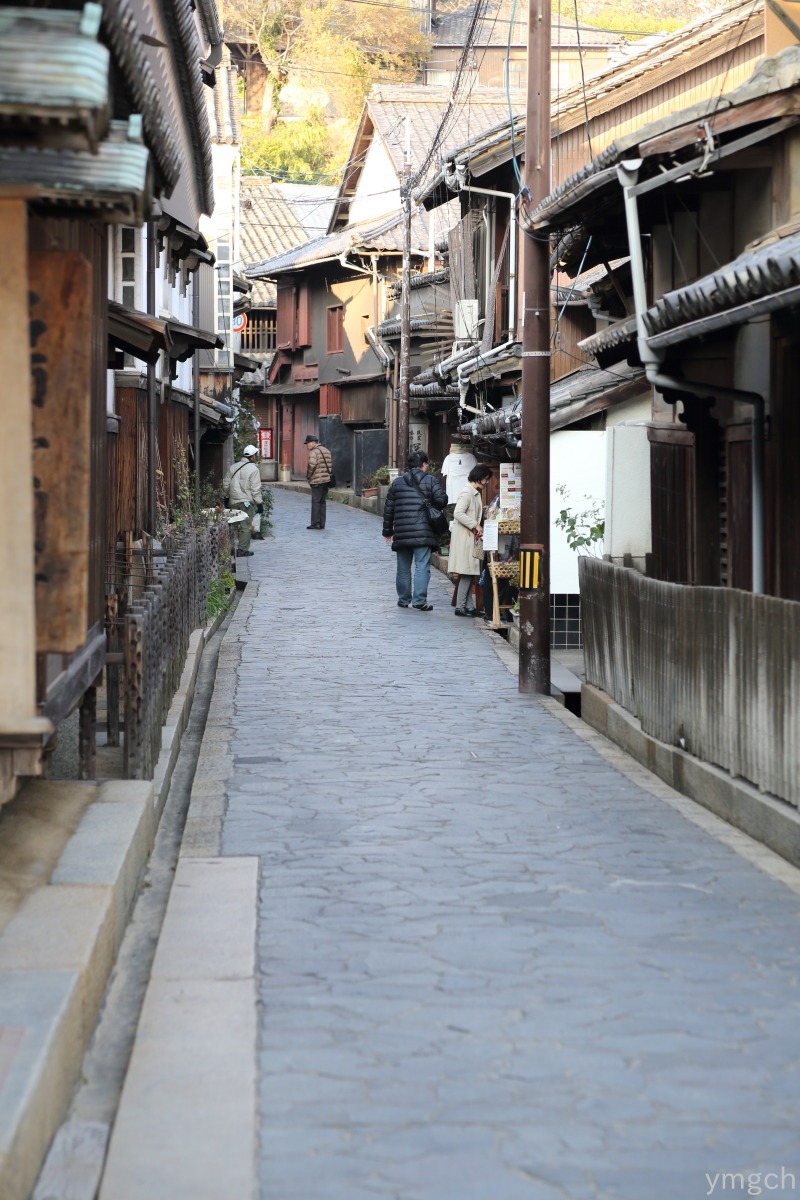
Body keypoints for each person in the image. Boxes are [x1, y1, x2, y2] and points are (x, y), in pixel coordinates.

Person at [382, 451, 448, 611]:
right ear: (424, 465)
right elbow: (442, 500)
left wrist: (387, 531)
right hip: (423, 532)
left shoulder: (397, 483)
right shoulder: (431, 480)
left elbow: (388, 508)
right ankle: (419, 600)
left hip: (402, 532)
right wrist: (430, 505)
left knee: (403, 568)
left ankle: (403, 599)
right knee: (422, 566)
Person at [448, 464, 492, 616]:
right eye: (486, 479)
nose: (486, 482)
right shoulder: (467, 493)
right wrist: (475, 525)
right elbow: (458, 513)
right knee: (467, 571)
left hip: (472, 538)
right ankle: (461, 607)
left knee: (470, 571)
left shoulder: (473, 492)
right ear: (479, 478)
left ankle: (469, 606)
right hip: (467, 538)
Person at [223, 445, 263, 557]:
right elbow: (255, 488)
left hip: (233, 501)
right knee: (246, 527)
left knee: (232, 525)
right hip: (246, 502)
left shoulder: (233, 467)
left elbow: (226, 484)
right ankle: (242, 550)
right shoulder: (254, 469)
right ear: (253, 456)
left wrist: (226, 498)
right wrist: (259, 503)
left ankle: (229, 549)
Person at [305, 434, 333, 529]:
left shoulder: (314, 452)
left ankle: (315, 523)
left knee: (316, 502)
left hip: (317, 481)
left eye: (308, 443)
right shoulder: (327, 450)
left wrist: (308, 476)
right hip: (326, 480)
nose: (307, 445)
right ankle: (322, 523)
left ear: (313, 443)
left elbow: (311, 466)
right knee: (322, 502)